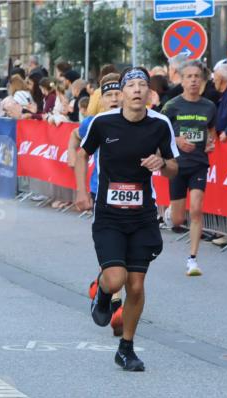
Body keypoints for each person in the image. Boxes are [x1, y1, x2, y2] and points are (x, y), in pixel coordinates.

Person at [74, 67, 178, 371]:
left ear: (149, 93)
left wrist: (162, 163)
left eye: (141, 85)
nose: (136, 89)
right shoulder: (103, 123)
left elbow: (173, 166)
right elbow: (82, 155)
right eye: (130, 85)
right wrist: (82, 191)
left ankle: (126, 347)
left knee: (135, 285)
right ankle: (103, 294)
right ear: (121, 93)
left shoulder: (160, 125)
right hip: (108, 214)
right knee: (116, 278)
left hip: (143, 215)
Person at [67, 74, 125, 336]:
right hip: (101, 192)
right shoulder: (94, 122)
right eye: (108, 96)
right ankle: (115, 304)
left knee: (124, 252)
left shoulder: (140, 119)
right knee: (112, 248)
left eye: (117, 94)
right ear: (100, 102)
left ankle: (102, 285)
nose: (114, 99)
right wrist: (73, 158)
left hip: (133, 197)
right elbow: (74, 136)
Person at [161, 60, 217, 276]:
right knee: (177, 220)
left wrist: (210, 142)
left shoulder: (209, 106)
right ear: (182, 80)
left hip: (199, 165)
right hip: (176, 166)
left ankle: (192, 259)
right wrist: (177, 140)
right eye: (189, 76)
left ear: (202, 81)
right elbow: (160, 134)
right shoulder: (172, 106)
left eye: (197, 76)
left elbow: (211, 131)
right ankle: (170, 213)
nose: (193, 80)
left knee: (196, 210)